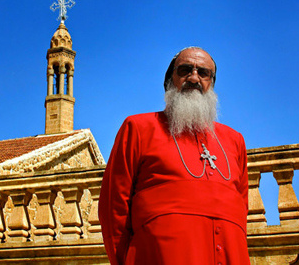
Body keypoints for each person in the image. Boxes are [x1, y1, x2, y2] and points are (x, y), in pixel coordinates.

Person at [99, 47, 249, 265]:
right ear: (170, 80)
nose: (194, 78)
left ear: (212, 84)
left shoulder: (235, 141)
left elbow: (241, 208)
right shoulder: (138, 128)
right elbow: (114, 210)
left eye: (203, 73)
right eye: (185, 70)